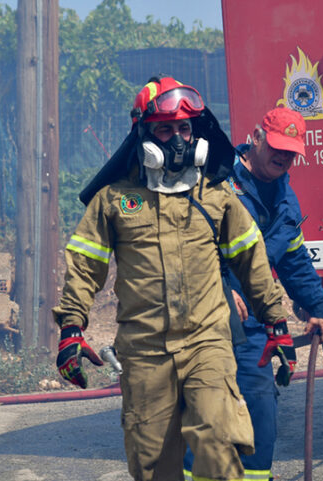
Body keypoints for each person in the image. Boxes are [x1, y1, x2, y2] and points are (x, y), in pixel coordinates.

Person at [52, 77, 296, 481]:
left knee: (219, 440)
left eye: (185, 128)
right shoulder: (114, 200)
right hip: (144, 350)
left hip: (207, 342)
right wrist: (71, 330)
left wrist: (277, 323)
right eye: (166, 129)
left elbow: (251, 260)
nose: (178, 139)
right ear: (144, 134)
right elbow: (84, 265)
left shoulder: (216, 195)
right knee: (154, 466)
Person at [185, 107, 323, 481]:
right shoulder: (214, 181)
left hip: (254, 329)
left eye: (291, 152)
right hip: (204, 321)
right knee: (207, 412)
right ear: (255, 137)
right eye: (276, 147)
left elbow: (294, 258)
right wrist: (221, 286)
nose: (282, 157)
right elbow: (188, 245)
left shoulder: (286, 199)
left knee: (259, 409)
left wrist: (316, 306)